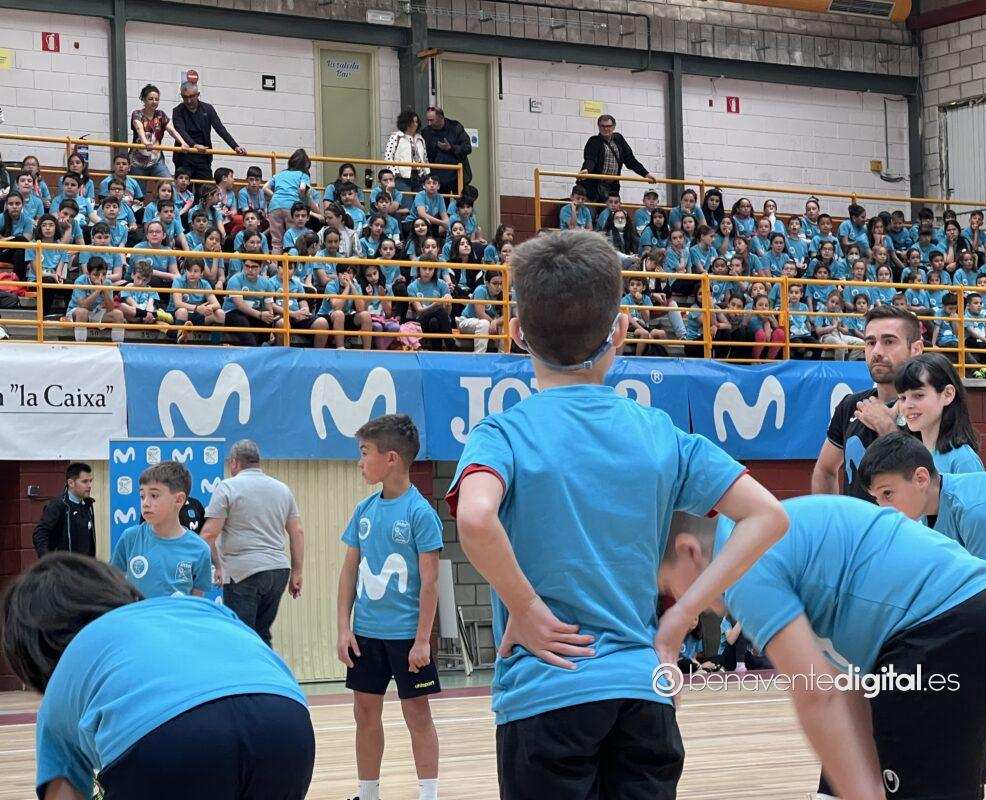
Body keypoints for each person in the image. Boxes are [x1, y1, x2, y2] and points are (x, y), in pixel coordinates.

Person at [445, 230, 788, 799]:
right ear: (621, 330)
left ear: (517, 332)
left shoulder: (501, 434)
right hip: (643, 693)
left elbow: (477, 518)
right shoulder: (660, 433)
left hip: (547, 694)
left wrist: (525, 609)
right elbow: (768, 517)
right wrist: (679, 620)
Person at [658, 494, 986, 800]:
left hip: (945, 628)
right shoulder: (772, 536)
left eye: (667, 587)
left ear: (689, 550)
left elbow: (816, 694)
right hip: (985, 615)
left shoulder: (744, 567)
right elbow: (845, 681)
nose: (676, 603)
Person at [1, 553, 315, 800]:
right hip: (285, 720)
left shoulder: (66, 676)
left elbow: (63, 792)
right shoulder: (195, 609)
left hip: (169, 740)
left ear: (30, 650)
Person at [336, 415, 443, 800]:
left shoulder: (420, 513)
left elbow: (430, 583)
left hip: (407, 638)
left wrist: (422, 640)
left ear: (392, 458)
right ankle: (368, 794)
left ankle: (428, 795)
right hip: (366, 635)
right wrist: (344, 628)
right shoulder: (364, 510)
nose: (360, 461)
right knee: (364, 714)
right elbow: (349, 571)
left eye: (365, 452)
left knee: (417, 715)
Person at [859, 431, 986, 584]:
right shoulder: (926, 513)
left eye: (887, 493)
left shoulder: (975, 508)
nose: (883, 508)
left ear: (921, 479)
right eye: (877, 499)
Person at [811, 305, 923, 501]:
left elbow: (932, 483)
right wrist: (831, 517)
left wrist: (887, 428)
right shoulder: (850, 405)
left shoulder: (931, 407)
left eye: (889, 341)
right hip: (857, 522)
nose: (877, 351)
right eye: (870, 342)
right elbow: (825, 469)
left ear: (916, 349)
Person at [201, 440, 305, 648]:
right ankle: (266, 669)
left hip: (243, 572)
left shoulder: (228, 487)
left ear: (234, 463)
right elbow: (297, 532)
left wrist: (215, 567)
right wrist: (297, 572)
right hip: (278, 571)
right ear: (257, 461)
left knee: (241, 636)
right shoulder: (282, 489)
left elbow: (208, 535)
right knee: (262, 634)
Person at [110, 461, 212, 598]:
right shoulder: (130, 538)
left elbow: (195, 603)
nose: (145, 503)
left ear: (179, 500)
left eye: (154, 495)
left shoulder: (200, 549)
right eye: (142, 496)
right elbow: (114, 587)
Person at [894, 353, 984, 474]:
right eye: (902, 398)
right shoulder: (905, 455)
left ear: (948, 394)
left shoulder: (963, 460)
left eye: (918, 395)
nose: (907, 405)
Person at [171, 80, 247, 183]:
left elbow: (220, 129)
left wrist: (235, 146)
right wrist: (194, 145)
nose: (188, 101)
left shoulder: (208, 109)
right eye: (185, 97)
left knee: (206, 188)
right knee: (183, 188)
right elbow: (181, 131)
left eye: (192, 96)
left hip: (203, 155)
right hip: (184, 156)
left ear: (198, 95)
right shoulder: (177, 111)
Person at [578, 114, 656, 203]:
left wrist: (646, 174)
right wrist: (586, 169)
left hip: (612, 187)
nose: (606, 129)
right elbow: (590, 159)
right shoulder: (594, 141)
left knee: (612, 209)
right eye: (602, 126)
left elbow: (630, 160)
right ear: (598, 127)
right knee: (594, 208)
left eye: (608, 126)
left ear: (614, 126)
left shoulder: (619, 139)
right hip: (594, 186)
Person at [31, 462, 96, 557]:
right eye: (85, 481)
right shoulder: (57, 506)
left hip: (83, 565)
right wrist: (48, 561)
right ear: (71, 483)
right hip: (63, 565)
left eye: (90, 481)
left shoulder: (88, 505)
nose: (89, 485)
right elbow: (40, 535)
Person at [130, 83, 190, 182]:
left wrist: (183, 143)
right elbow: (139, 127)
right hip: (138, 162)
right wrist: (145, 142)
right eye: (150, 99)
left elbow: (171, 130)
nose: (154, 102)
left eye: (156, 99)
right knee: (139, 190)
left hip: (156, 160)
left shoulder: (160, 115)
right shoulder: (137, 113)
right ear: (144, 100)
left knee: (168, 183)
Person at [421, 106, 471, 195]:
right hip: (438, 178)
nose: (429, 123)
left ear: (441, 117)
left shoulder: (455, 127)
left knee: (461, 202)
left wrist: (451, 148)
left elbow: (467, 148)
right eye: (428, 120)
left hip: (457, 176)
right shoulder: (426, 132)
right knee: (442, 203)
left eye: (432, 120)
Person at [384, 109, 429, 211]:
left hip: (419, 176)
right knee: (406, 206)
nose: (415, 124)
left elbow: (425, 158)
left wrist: (426, 173)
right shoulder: (396, 137)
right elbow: (388, 157)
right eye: (412, 122)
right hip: (402, 177)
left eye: (416, 122)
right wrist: (395, 173)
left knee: (420, 206)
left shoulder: (420, 138)